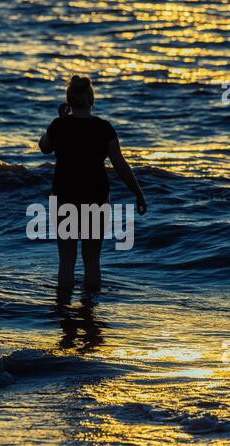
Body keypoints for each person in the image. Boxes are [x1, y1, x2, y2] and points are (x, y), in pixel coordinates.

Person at [39, 75, 147, 291]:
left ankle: (64, 314)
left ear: (69, 101)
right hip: (95, 196)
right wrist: (138, 193)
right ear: (92, 100)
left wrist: (60, 118)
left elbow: (44, 147)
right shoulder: (104, 128)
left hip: (64, 196)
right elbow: (120, 165)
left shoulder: (59, 125)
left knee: (67, 262)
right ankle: (90, 315)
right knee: (92, 262)